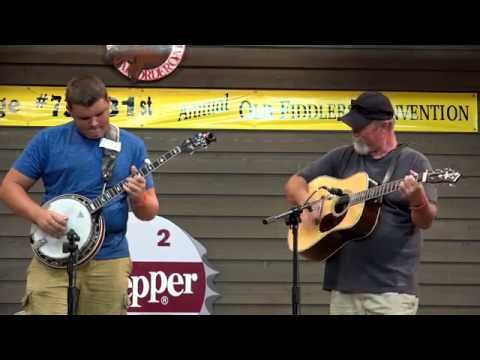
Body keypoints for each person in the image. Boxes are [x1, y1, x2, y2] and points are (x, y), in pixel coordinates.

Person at [0, 75, 160, 315]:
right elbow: (9, 187)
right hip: (53, 257)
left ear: (109, 102)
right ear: (69, 111)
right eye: (85, 118)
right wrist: (38, 215)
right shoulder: (48, 141)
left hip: (109, 258)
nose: (95, 123)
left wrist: (138, 197)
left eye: (101, 113)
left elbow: (149, 211)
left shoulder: (132, 145)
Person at [284, 91, 438, 315]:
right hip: (344, 288)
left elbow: (425, 221)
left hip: (391, 290)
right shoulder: (342, 157)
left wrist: (417, 198)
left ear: (385, 126)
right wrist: (309, 202)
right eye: (352, 125)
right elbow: (294, 184)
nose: (353, 132)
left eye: (360, 127)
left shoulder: (413, 161)